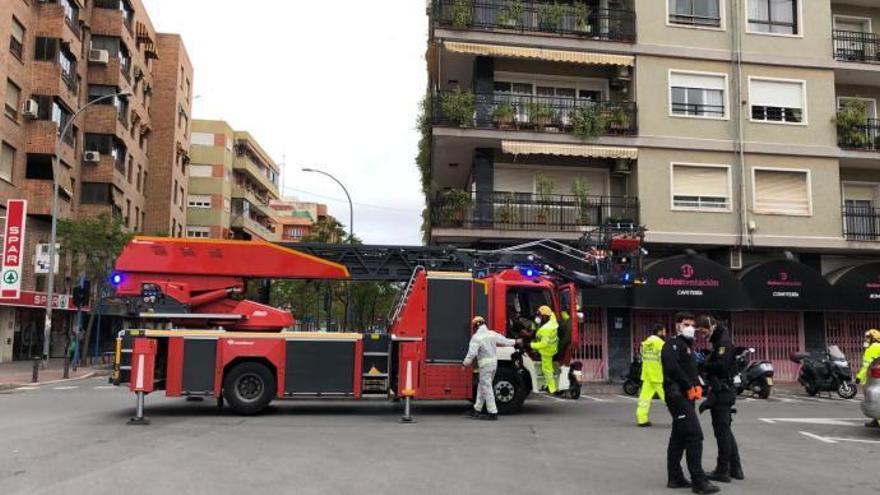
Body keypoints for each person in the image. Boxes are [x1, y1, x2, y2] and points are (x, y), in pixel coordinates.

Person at [662, 312, 719, 494]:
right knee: (695, 435)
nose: (690, 328)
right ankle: (698, 480)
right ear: (678, 325)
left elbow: (690, 370)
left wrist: (699, 385)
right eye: (686, 324)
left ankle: (675, 477)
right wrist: (688, 385)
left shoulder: (688, 347)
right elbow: (672, 367)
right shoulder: (672, 344)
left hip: (687, 396)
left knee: (679, 437)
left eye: (692, 325)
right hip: (677, 395)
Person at [697, 315, 743, 483]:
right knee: (725, 430)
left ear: (712, 326)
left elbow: (722, 367)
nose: (703, 335)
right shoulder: (718, 342)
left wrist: (703, 364)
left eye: (703, 331)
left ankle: (722, 470)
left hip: (723, 391)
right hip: (721, 390)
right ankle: (736, 468)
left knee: (721, 431)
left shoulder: (723, 342)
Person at [462, 316, 518, 421]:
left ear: (475, 326)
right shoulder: (492, 334)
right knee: (482, 386)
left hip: (485, 365)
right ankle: (477, 409)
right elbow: (505, 341)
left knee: (486, 387)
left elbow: (472, 353)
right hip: (494, 364)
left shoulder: (476, 337)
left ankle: (493, 412)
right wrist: (516, 341)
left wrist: (465, 364)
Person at [636, 324, 667, 427]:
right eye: (664, 331)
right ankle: (680, 419)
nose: (665, 333)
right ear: (659, 332)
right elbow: (665, 359)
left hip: (647, 375)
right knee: (670, 398)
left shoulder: (645, 343)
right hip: (658, 375)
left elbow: (642, 356)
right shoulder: (660, 343)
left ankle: (642, 419)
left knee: (644, 399)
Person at [530, 305, 559, 394]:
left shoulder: (546, 329)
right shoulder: (551, 322)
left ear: (544, 317)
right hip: (551, 348)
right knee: (545, 369)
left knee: (547, 370)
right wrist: (534, 325)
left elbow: (543, 344)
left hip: (547, 351)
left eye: (539, 316)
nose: (537, 318)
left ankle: (552, 388)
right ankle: (547, 385)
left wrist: (531, 345)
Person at [857, 329, 880, 428]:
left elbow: (865, 365)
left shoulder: (873, 348)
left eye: (868, 338)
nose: (866, 340)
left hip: (873, 377)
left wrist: (859, 377)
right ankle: (876, 420)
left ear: (873, 338)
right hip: (873, 378)